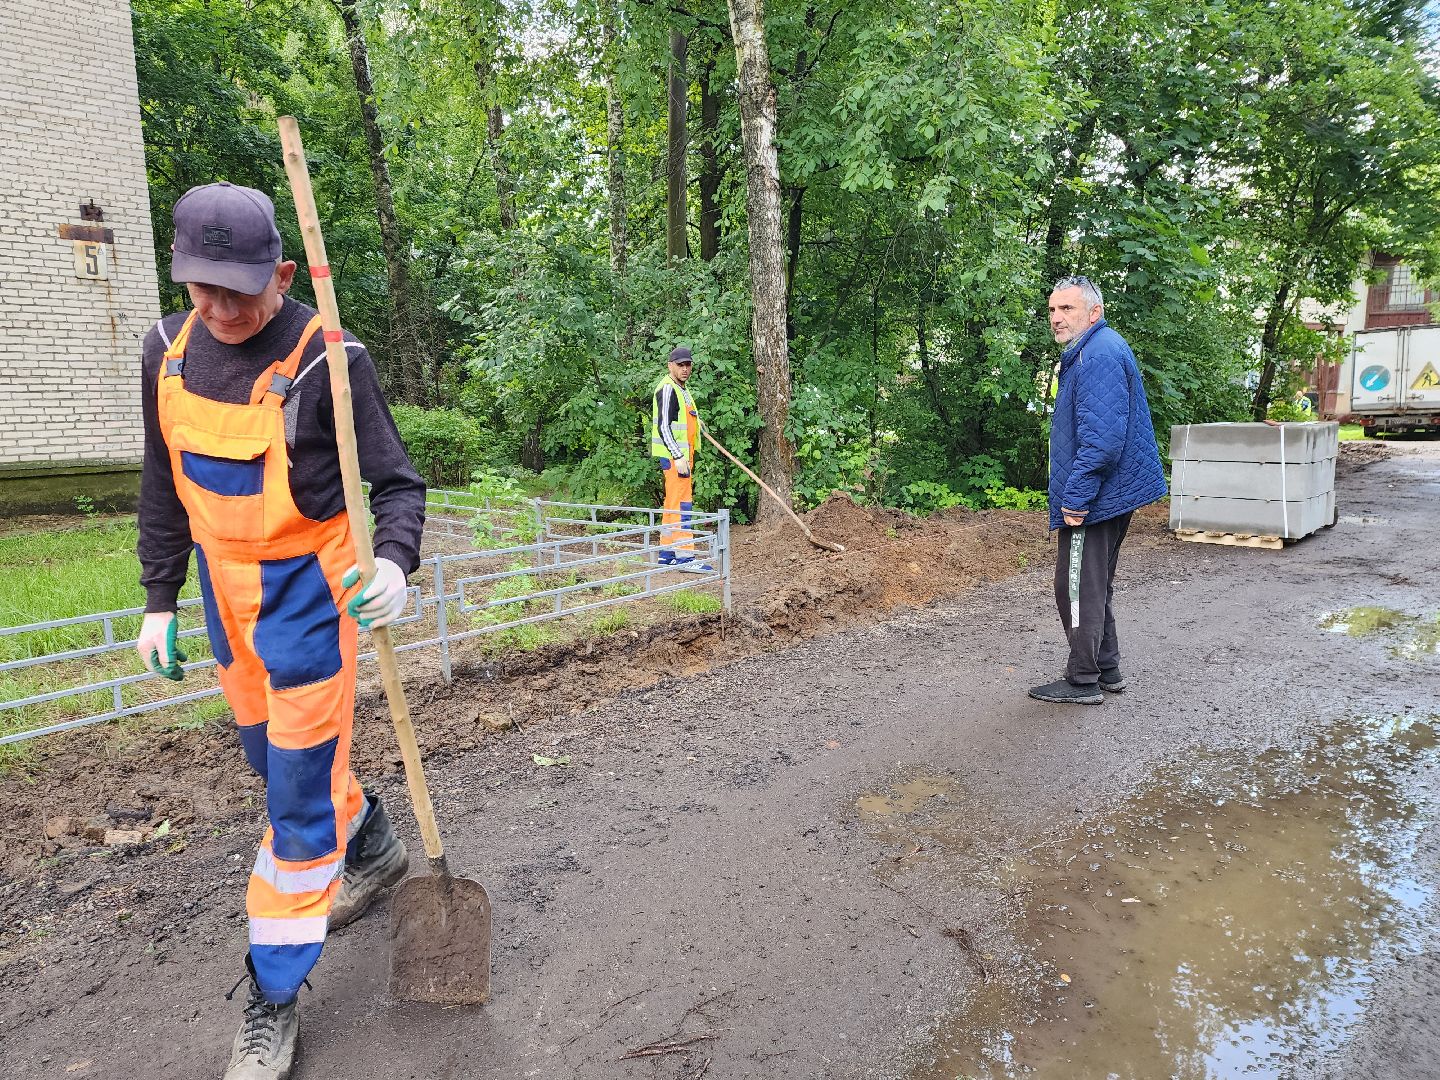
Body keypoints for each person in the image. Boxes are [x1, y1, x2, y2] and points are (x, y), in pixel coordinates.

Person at [134, 181, 426, 1080]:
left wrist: (393, 566)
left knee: (294, 807)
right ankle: (372, 843)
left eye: (239, 289)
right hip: (228, 606)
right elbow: (161, 484)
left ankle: (271, 996)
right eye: (200, 288)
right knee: (277, 765)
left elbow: (398, 485)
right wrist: (159, 599)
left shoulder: (328, 360)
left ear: (283, 272)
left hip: (309, 600)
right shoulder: (164, 352)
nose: (219, 310)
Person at [1030, 276, 1166, 706]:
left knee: (1075, 586)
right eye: (1052, 310)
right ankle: (1107, 667)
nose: (1056, 318)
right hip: (1111, 491)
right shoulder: (1093, 350)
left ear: (1094, 312)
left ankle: (1083, 679)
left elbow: (1103, 440)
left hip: (1098, 495)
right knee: (1093, 582)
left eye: (1066, 309)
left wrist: (1076, 496)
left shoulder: (1097, 355)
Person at [650, 346, 713, 573]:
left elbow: (684, 419)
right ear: (670, 366)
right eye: (680, 365)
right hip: (676, 459)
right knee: (682, 506)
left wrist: (698, 424)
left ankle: (667, 555)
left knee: (672, 505)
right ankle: (685, 557)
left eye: (688, 364)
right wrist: (677, 456)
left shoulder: (681, 388)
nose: (685, 369)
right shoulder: (668, 389)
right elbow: (663, 427)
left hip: (681, 458)